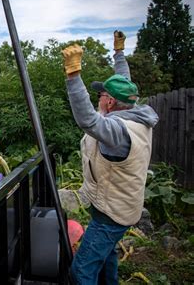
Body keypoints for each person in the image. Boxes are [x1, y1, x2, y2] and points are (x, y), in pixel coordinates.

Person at [62, 31, 159, 284]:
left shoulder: (118, 131)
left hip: (110, 215)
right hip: (121, 208)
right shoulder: (134, 114)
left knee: (80, 271)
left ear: (111, 102)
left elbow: (87, 120)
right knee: (106, 258)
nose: (99, 98)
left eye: (102, 95)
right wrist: (119, 52)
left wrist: (73, 76)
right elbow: (124, 81)